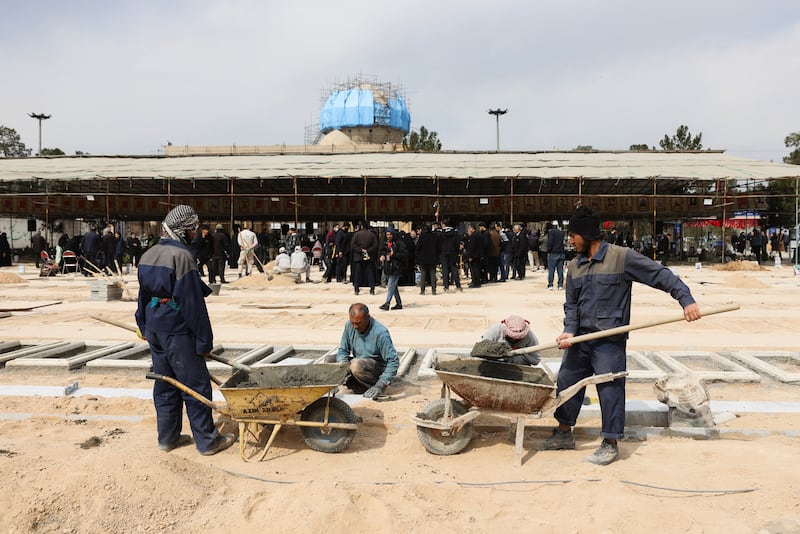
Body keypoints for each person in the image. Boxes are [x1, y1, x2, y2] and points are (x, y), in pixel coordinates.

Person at [542, 206, 701, 466]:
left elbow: (660, 275)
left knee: (610, 389)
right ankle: (563, 432)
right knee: (567, 383)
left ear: (587, 234)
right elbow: (571, 305)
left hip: (609, 340)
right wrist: (569, 329)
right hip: (580, 339)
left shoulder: (621, 257)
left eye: (573, 235)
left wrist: (686, 300)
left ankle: (610, 442)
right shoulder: (575, 266)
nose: (570, 240)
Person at [135, 205, 236, 456]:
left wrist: (143, 326)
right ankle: (208, 441)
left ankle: (167, 438)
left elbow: (143, 297)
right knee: (195, 385)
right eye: (193, 230)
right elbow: (192, 305)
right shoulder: (182, 258)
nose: (197, 234)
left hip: (155, 328)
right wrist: (204, 342)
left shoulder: (148, 254)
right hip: (177, 330)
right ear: (183, 230)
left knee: (166, 384)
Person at [334, 303, 399, 399]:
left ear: (368, 317)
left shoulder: (380, 333)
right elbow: (343, 350)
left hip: (376, 370)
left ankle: (371, 388)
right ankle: (354, 383)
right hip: (359, 364)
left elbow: (393, 362)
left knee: (356, 365)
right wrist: (343, 367)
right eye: (353, 323)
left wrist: (380, 385)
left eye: (358, 323)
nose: (355, 326)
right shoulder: (349, 326)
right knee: (329, 361)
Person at [378, 228, 406, 310]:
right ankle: (399, 303)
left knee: (390, 285)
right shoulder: (385, 243)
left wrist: (394, 254)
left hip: (396, 267)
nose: (389, 236)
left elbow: (403, 256)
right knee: (393, 287)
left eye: (390, 234)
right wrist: (382, 255)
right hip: (388, 267)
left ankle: (387, 303)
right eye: (387, 235)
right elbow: (382, 251)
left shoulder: (399, 243)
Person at [546, 222, 565, 290]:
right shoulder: (561, 232)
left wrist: (548, 250)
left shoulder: (551, 232)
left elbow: (550, 242)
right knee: (560, 270)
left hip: (553, 252)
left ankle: (550, 285)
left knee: (551, 270)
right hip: (561, 252)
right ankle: (560, 285)